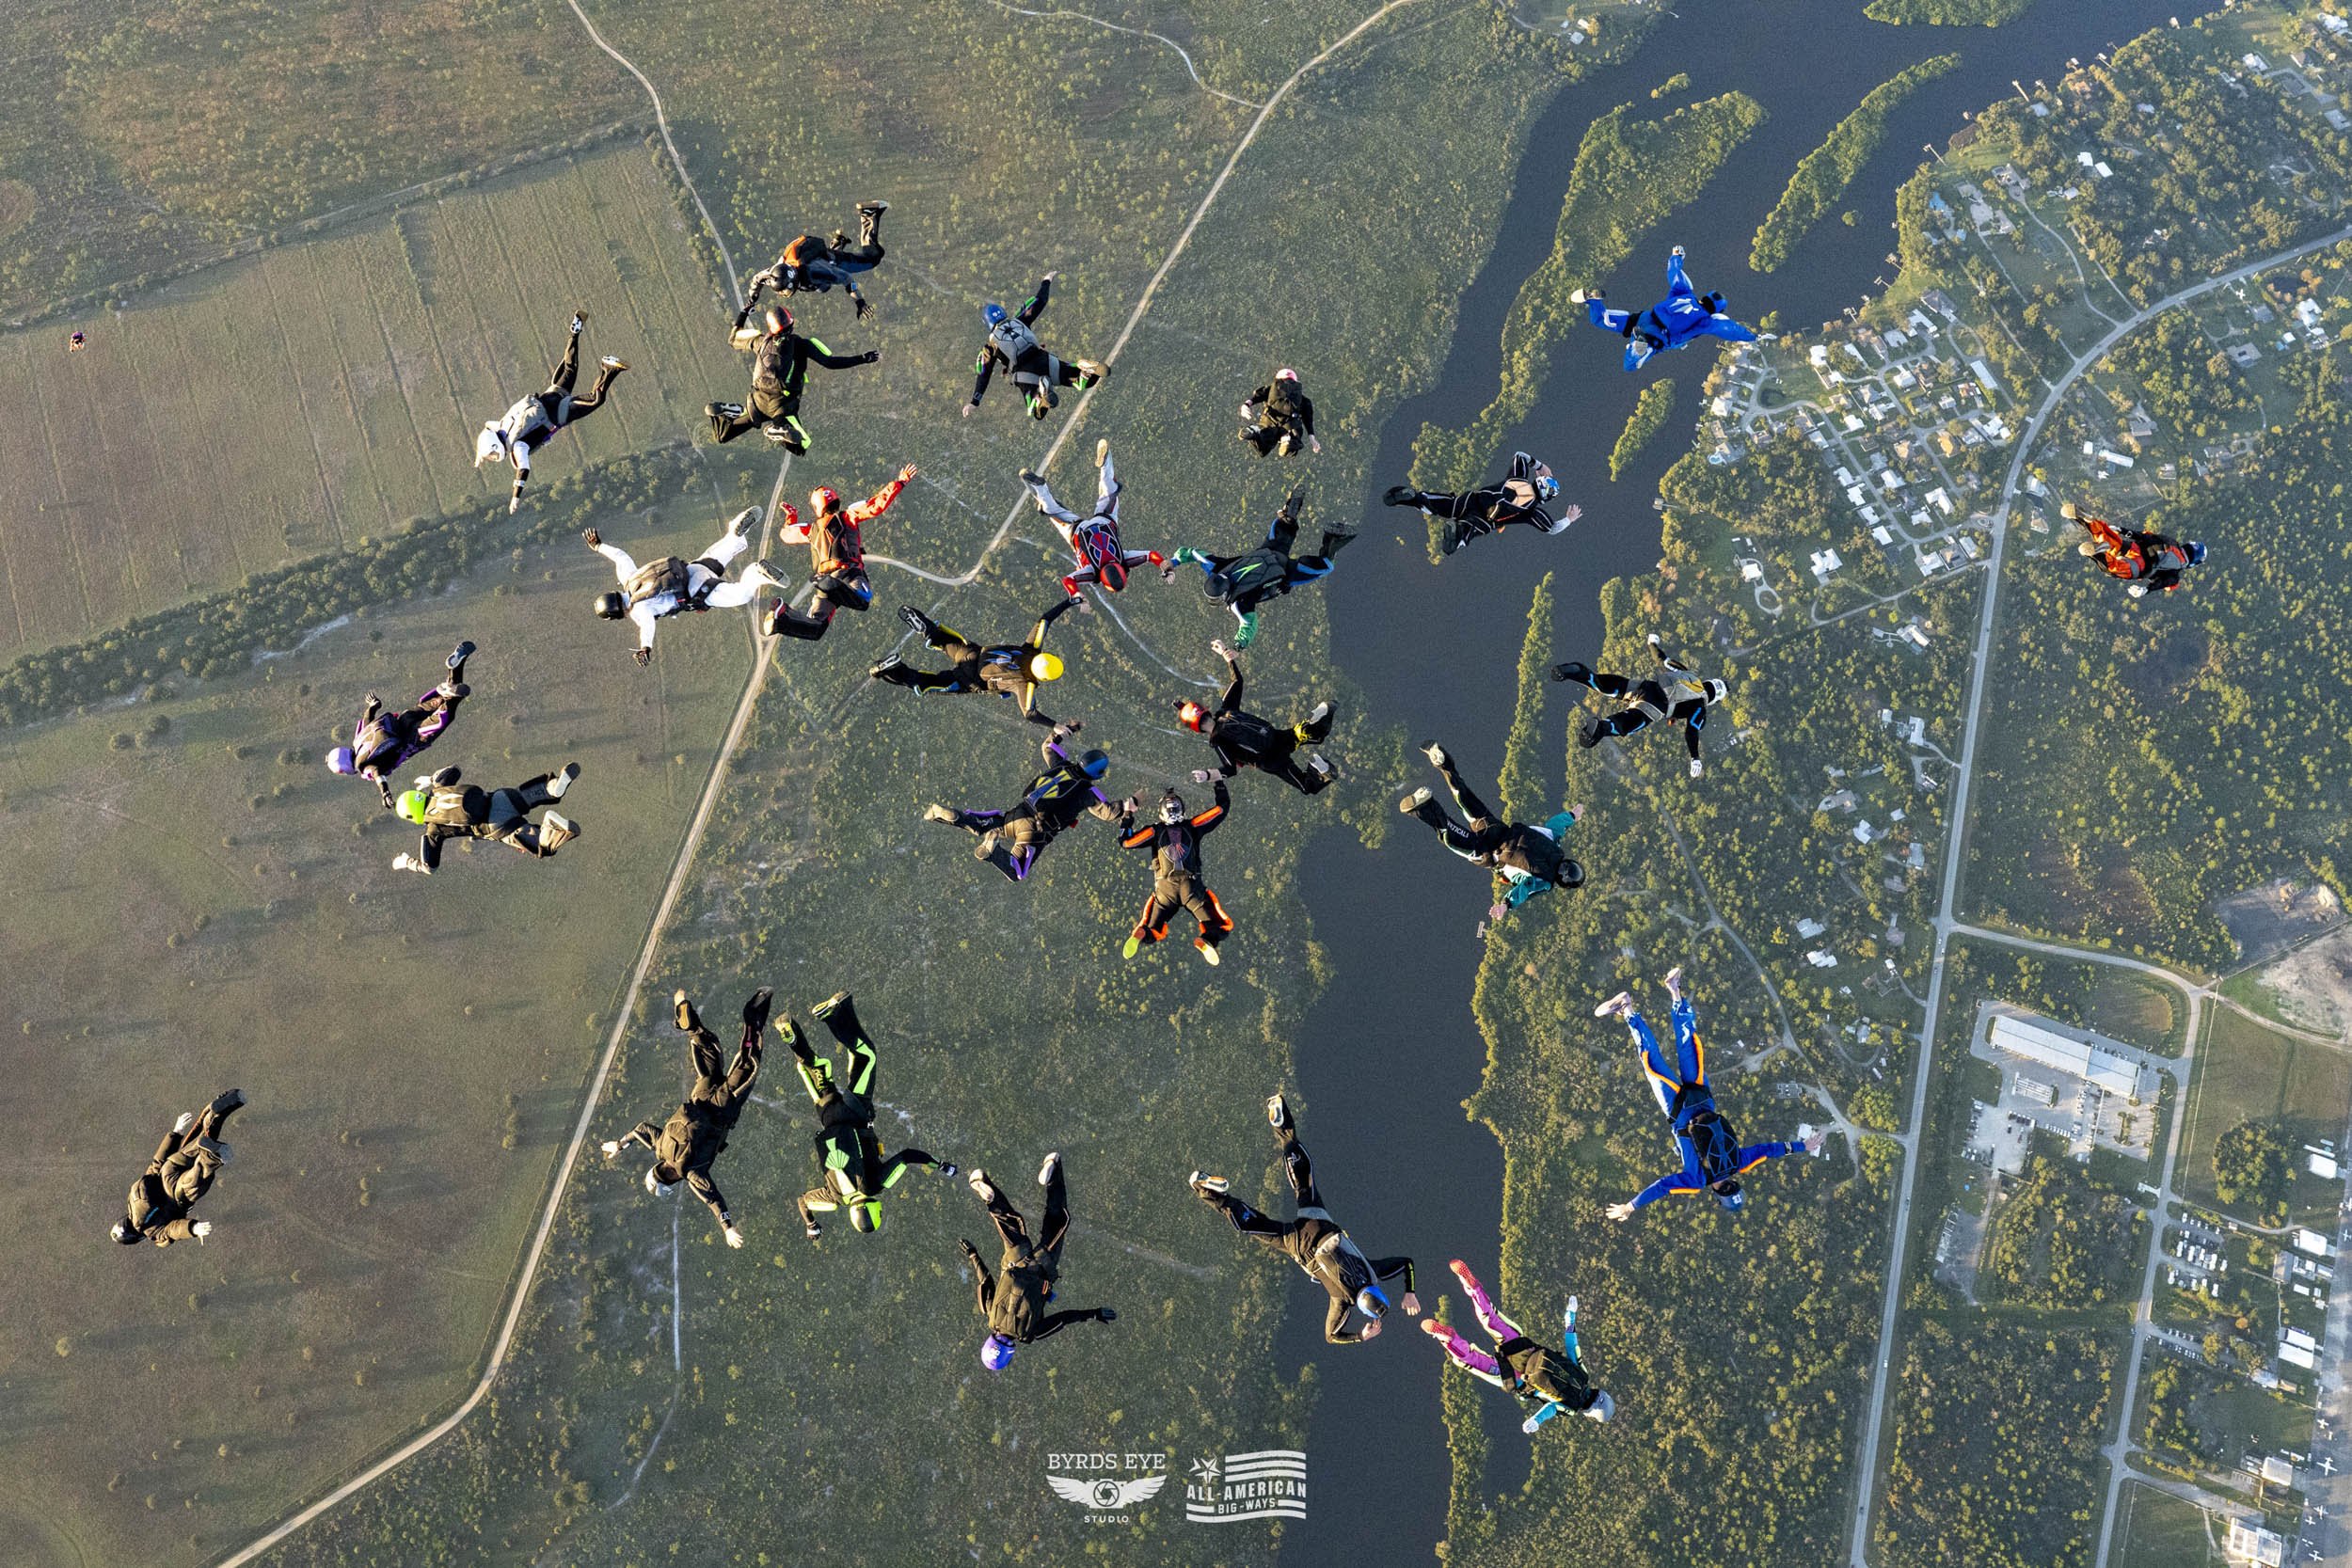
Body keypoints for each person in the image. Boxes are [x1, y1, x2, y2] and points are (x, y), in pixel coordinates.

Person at [1190, 1093, 1418, 1344]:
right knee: (1253, 1224)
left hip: (1320, 1225)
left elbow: (1407, 1263)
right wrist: (1360, 1336)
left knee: (1303, 1181)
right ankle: (1205, 1189)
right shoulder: (1342, 1302)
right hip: (1298, 1246)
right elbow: (1331, 1337)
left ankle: (1282, 1127)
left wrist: (1410, 1292)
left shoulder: (1373, 1273)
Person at [1597, 968, 1820, 1219]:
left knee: (1688, 1043)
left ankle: (1675, 990)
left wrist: (1804, 1145)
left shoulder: (1740, 1162)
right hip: (1677, 1108)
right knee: (1651, 1062)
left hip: (1703, 1097)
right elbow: (1662, 1187)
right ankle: (1626, 1009)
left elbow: (1769, 1150)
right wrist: (1630, 1206)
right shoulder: (1695, 1180)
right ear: (1718, 1195)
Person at [599, 988, 771, 1248]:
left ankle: (754, 1016)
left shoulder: (690, 1173)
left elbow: (713, 1199)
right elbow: (641, 1128)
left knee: (749, 1062)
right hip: (700, 1094)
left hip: (723, 1107)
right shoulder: (659, 1147)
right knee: (708, 1049)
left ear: (671, 1181)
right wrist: (620, 1144)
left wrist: (728, 1227)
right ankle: (689, 1025)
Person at [780, 991, 955, 1239]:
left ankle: (833, 1014)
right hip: (828, 1116)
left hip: (855, 1112)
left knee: (866, 1055)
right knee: (816, 1071)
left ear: (874, 1210)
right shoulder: (834, 1198)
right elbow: (803, 1201)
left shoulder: (875, 1186)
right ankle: (791, 1035)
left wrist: (940, 1165)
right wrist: (811, 1225)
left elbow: (907, 1157)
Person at [960, 1152, 1117, 1370]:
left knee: (1058, 1220)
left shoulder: (1031, 1333)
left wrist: (1094, 1313)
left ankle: (1053, 1169)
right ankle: (989, 1194)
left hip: (1043, 1266)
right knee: (1009, 1221)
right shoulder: (990, 1317)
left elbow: (1063, 1319)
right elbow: (984, 1280)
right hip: (1014, 1260)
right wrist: (973, 1255)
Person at [1421, 1259, 1614, 1431]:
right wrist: (1536, 1421)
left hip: (1527, 1349)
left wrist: (1570, 1317)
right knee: (1471, 1360)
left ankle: (1472, 1287)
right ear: (1591, 1413)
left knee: (1492, 1319)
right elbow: (1551, 1408)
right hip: (1518, 1378)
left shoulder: (1582, 1375)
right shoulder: (1571, 1408)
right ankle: (1449, 1338)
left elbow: (1572, 1347)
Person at [1397, 742, 1582, 920]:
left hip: (1496, 829)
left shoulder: (1554, 843)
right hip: (1488, 853)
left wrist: (1573, 815)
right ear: (1562, 882)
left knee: (1465, 798)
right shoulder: (1545, 881)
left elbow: (1557, 825)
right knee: (1449, 836)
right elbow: (1525, 890)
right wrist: (1505, 905)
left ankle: (1443, 763)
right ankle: (1423, 806)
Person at [921, 722, 1120, 881]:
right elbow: (1109, 813)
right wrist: (1133, 803)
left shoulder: (1062, 765)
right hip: (1034, 831)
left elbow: (1048, 747)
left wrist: (1064, 731)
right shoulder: (1088, 792)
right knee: (1016, 871)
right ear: (1098, 774)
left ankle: (955, 817)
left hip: (1019, 813)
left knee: (988, 827)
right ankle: (993, 852)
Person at [1165, 487, 1355, 649]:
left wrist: (1239, 646)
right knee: (1283, 530)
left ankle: (1331, 538)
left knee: (1325, 566)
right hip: (1267, 552)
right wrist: (1173, 562)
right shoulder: (1216, 568)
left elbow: (1248, 625)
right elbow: (1192, 553)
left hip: (1284, 573)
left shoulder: (1239, 602)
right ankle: (1287, 515)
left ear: (1223, 595)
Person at [586, 509, 785, 665]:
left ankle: (756, 572)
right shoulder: (628, 579)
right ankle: (735, 531)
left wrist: (645, 647)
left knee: (741, 595)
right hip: (691, 569)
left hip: (698, 590)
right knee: (731, 545)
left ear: (616, 614)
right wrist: (599, 546)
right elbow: (621, 557)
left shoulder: (639, 610)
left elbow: (647, 626)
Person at [474, 310, 627, 511]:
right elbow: (488, 423)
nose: (494, 458)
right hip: (549, 395)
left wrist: (515, 497)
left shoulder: (517, 447)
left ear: (496, 447)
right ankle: (575, 329)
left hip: (558, 413)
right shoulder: (500, 425)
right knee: (570, 368)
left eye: (491, 456)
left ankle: (609, 368)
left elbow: (524, 470)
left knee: (595, 400)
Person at [870, 596, 1084, 724]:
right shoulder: (1024, 684)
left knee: (942, 639)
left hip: (973, 654)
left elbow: (1045, 619)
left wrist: (1071, 601)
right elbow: (1030, 713)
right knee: (924, 682)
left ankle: (926, 628)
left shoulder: (1031, 649)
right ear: (1043, 678)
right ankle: (893, 669)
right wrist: (1055, 725)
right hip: (970, 680)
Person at [766, 467, 916, 641]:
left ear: (817, 507)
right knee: (863, 601)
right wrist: (900, 482)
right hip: (848, 574)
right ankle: (829, 584)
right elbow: (876, 505)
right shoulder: (847, 516)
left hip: (824, 580)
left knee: (816, 628)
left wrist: (791, 517)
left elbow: (786, 535)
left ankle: (781, 618)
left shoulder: (811, 529)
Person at [708, 303, 877, 451]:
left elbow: (733, 339)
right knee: (800, 446)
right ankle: (776, 429)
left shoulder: (760, 341)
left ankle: (731, 412)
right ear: (791, 323)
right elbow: (831, 362)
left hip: (756, 402)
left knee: (721, 436)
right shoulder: (802, 344)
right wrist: (863, 358)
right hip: (782, 405)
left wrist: (744, 313)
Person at [1177, 640, 1335, 797]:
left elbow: (1230, 769)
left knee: (1306, 786)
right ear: (1205, 710)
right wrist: (1226, 654)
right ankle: (1314, 724)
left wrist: (1208, 775)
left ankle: (1320, 771)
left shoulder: (1217, 740)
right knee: (1299, 735)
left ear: (1195, 729)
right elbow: (1238, 681)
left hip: (1270, 759)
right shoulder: (1226, 709)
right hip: (1274, 736)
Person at [1553, 633, 1725, 777]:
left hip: (1645, 686)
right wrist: (1695, 757)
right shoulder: (1700, 707)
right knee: (1626, 725)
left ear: (1708, 682)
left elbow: (1662, 660)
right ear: (1714, 699)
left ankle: (1577, 672)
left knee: (1604, 685)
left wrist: (1652, 643)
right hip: (1653, 707)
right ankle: (1601, 728)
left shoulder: (1689, 674)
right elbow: (1692, 730)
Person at [328, 641, 474, 807]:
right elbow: (369, 716)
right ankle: (455, 666)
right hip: (405, 718)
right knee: (447, 696)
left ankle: (453, 675)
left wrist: (385, 791)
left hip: (413, 738)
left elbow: (376, 774)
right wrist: (373, 705)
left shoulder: (363, 766)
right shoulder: (358, 739)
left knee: (448, 712)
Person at [1574, 245, 1756, 372]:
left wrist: (1676, 255)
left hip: (1643, 319)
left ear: (1704, 297)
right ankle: (1636, 349)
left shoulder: (1685, 293)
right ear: (1717, 311)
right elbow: (1728, 328)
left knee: (1601, 320)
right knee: (1629, 365)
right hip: (1659, 337)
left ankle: (1593, 301)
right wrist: (1751, 337)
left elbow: (1674, 273)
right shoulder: (1707, 321)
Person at [1021, 438, 1164, 595]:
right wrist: (1077, 594)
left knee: (1109, 491)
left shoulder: (1124, 559)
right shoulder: (1091, 572)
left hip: (1104, 521)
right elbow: (1068, 580)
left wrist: (1164, 564)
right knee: (1053, 511)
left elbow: (1151, 555)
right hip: (1077, 531)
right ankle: (1040, 488)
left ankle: (1105, 463)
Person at [389, 762, 581, 874]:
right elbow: (454, 770)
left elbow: (429, 867)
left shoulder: (433, 830)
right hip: (500, 798)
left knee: (542, 846)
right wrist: (431, 780)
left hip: (496, 826)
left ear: (411, 815)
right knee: (526, 797)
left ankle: (550, 828)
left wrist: (406, 862)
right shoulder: (438, 788)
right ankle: (552, 788)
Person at [962, 275, 1108, 420]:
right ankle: (1084, 372)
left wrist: (974, 402)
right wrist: (1046, 281)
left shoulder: (990, 347)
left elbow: (983, 374)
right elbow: (1039, 301)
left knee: (1037, 411)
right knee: (1081, 380)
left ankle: (1039, 395)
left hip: (1024, 372)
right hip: (1043, 359)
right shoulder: (1019, 320)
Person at [1119, 781, 1233, 965]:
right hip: (1191, 888)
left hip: (1165, 891)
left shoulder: (1154, 831)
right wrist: (1218, 782)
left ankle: (1143, 934)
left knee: (1153, 927)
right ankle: (1208, 939)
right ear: (1182, 810)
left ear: (1161, 813)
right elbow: (1221, 809)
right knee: (1221, 925)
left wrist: (1128, 813)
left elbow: (1126, 842)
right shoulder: (1194, 826)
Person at [112, 1090, 246, 1248]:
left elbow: (173, 1230)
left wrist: (193, 1228)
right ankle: (216, 1113)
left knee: (199, 1179)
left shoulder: (153, 1233)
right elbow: (156, 1164)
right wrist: (176, 1132)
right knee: (203, 1140)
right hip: (170, 1167)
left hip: (178, 1192)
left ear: (137, 1237)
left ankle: (214, 1156)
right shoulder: (132, 1199)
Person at [1382, 451, 1579, 557]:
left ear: (1538, 480)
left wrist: (1540, 466)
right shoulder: (1533, 512)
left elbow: (1520, 455)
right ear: (1546, 498)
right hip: (1484, 520)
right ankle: (1456, 534)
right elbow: (1552, 529)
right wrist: (1569, 520)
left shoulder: (1519, 477)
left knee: (1443, 505)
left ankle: (1415, 498)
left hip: (1471, 499)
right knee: (1464, 536)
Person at [744, 201, 890, 319]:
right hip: (816, 267)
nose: (783, 295)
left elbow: (847, 278)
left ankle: (869, 215)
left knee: (873, 259)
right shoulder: (777, 272)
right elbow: (757, 279)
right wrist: (752, 298)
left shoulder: (814, 273)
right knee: (823, 288)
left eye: (785, 292)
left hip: (834, 261)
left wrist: (860, 302)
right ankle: (838, 242)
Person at [2063, 500, 2204, 597]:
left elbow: (2146, 536)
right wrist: (2145, 590)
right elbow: (2162, 583)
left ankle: (2089, 521)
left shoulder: (2171, 542)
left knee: (2108, 539)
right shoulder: (2175, 574)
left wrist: (2122, 530)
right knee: (2113, 568)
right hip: (2140, 566)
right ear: (2193, 562)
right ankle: (2097, 554)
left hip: (2134, 547)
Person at [1237, 368, 1321, 457]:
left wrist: (1245, 405)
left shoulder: (1270, 390)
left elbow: (1257, 396)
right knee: (1293, 445)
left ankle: (1254, 431)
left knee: (1263, 447)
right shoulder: (1304, 400)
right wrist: (1312, 439)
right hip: (1290, 424)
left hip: (1270, 420)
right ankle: (1287, 439)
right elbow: (1308, 420)